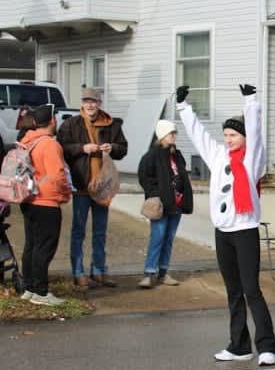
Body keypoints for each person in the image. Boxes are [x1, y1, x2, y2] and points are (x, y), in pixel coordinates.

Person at [176, 83, 275, 367]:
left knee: (251, 290)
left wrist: (251, 101)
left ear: (243, 137)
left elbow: (255, 133)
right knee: (232, 291)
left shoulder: (253, 159)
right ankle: (239, 345)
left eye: (233, 134)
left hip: (245, 232)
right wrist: (184, 108)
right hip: (223, 233)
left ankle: (267, 346)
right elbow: (199, 136)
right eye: (226, 135)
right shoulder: (218, 156)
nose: (228, 139)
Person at [57, 87, 128, 288]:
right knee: (78, 231)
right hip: (81, 186)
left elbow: (123, 148)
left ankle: (98, 270)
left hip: (102, 186)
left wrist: (112, 148)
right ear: (82, 103)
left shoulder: (112, 124)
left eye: (94, 101)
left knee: (100, 231)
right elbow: (61, 148)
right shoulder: (70, 124)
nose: (90, 105)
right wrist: (82, 148)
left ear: (99, 104)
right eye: (87, 101)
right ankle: (78, 272)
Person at [17, 104, 71, 306]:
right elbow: (57, 175)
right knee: (44, 247)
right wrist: (65, 193)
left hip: (28, 199)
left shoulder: (27, 140)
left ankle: (30, 288)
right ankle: (41, 292)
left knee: (31, 245)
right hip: (46, 202)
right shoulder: (49, 144)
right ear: (52, 121)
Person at [136, 120, 194, 288]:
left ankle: (163, 272)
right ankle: (149, 272)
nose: (174, 136)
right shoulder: (152, 155)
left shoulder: (177, 154)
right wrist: (155, 195)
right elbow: (144, 177)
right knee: (158, 237)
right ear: (162, 135)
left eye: (175, 132)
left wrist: (183, 190)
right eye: (171, 133)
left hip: (176, 203)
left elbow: (182, 174)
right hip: (161, 205)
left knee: (168, 239)